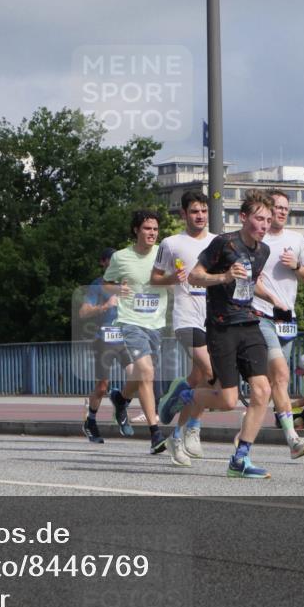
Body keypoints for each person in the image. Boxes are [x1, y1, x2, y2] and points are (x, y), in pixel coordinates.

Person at [173, 190, 304, 476]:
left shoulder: (262, 251)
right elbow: (195, 276)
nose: (264, 225)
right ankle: (188, 395)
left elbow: (251, 284)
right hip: (222, 327)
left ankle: (240, 459)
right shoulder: (223, 243)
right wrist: (224, 277)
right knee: (227, 400)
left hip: (250, 323)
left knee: (262, 390)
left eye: (267, 219)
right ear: (243, 217)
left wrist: (276, 302)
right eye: (258, 219)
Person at [151, 190, 216, 459]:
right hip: (186, 319)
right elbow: (155, 278)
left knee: (198, 379)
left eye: (203, 211)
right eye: (194, 211)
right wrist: (172, 280)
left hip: (213, 318)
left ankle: (179, 429)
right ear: (183, 214)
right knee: (213, 375)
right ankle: (192, 428)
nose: (200, 216)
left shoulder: (218, 242)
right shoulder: (171, 243)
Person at [105, 210, 170, 454]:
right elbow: (106, 283)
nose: (152, 233)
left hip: (156, 323)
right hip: (130, 321)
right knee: (146, 372)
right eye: (147, 228)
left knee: (144, 374)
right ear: (136, 230)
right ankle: (155, 433)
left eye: (155, 229)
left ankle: (121, 398)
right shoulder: (121, 257)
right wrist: (115, 289)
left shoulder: (164, 252)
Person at [251, 189, 304, 435]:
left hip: (287, 317)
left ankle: (251, 426)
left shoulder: (296, 239)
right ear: (268, 208)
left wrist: (296, 266)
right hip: (261, 313)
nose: (282, 212)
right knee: (281, 373)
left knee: (275, 379)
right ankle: (291, 434)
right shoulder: (258, 239)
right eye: (278, 207)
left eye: (286, 209)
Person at [78, 247, 129, 444]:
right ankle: (90, 421)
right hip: (104, 339)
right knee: (102, 386)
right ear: (103, 263)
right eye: (110, 261)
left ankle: (121, 404)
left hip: (125, 338)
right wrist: (105, 307)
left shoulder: (126, 284)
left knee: (140, 376)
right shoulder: (97, 285)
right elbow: (83, 312)